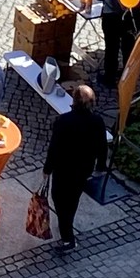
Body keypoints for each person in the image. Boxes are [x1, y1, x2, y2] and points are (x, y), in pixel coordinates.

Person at [41, 83, 109, 246]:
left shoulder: (63, 121)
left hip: (63, 169)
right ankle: (67, 223)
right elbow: (102, 146)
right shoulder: (97, 121)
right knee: (72, 199)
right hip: (83, 170)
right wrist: (100, 166)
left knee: (58, 197)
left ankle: (67, 236)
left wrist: (47, 169)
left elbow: (54, 147)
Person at [91, 0, 137, 83]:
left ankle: (110, 77)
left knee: (111, 47)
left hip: (110, 18)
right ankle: (129, 74)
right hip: (126, 15)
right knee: (128, 45)